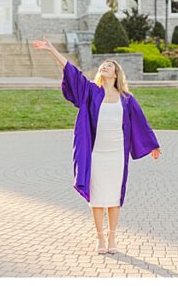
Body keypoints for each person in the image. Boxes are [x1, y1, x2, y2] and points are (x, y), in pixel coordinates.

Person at [33, 37, 161, 255]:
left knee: (113, 199)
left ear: (116, 74)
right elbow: (71, 71)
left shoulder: (127, 99)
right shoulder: (91, 92)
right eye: (103, 65)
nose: (104, 66)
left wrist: (152, 145)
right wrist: (51, 49)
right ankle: (100, 238)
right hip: (97, 154)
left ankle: (113, 237)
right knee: (98, 198)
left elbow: (141, 122)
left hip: (116, 156)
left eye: (109, 65)